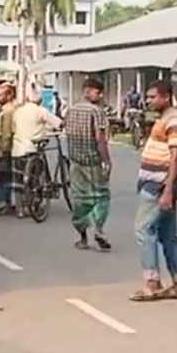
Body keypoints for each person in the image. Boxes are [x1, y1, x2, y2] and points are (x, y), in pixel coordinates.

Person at [131, 80, 177, 302]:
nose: (148, 101)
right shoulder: (163, 119)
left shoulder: (174, 120)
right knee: (167, 235)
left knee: (143, 229)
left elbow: (176, 157)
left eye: (153, 97)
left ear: (166, 97)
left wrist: (168, 190)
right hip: (157, 184)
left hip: (158, 185)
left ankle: (152, 282)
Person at [65, 77, 113, 251]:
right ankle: (99, 229)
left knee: (79, 198)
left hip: (75, 161)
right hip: (92, 161)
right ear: (87, 91)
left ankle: (83, 238)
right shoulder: (96, 112)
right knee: (101, 196)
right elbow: (100, 139)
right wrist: (106, 161)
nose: (100, 96)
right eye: (97, 92)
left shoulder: (70, 110)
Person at [11, 84, 64, 218]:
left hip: (18, 149)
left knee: (18, 180)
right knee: (36, 179)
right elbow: (58, 123)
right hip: (33, 148)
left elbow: (13, 128)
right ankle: (34, 204)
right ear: (40, 100)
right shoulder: (41, 111)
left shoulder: (18, 111)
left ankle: (20, 209)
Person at [0, 82, 18, 215]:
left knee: (3, 177)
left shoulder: (7, 111)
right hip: (6, 147)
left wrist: (0, 149)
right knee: (5, 176)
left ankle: (3, 203)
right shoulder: (7, 109)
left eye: (1, 95)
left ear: (9, 95)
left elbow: (5, 133)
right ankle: (6, 202)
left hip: (4, 148)